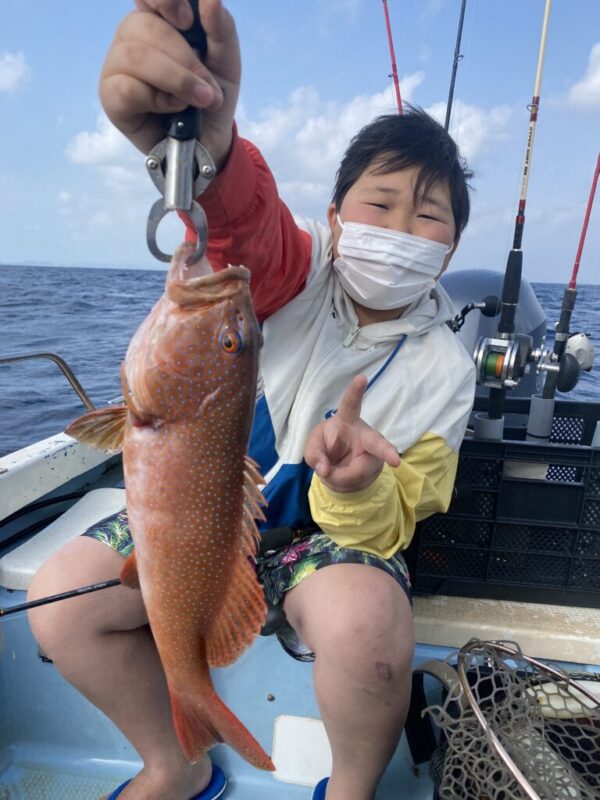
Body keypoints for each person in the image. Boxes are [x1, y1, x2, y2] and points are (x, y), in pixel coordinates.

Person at [27, 2, 476, 799]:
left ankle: (352, 789)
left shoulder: (446, 366)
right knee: (60, 598)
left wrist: (357, 488)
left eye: (429, 214)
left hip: (328, 541)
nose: (402, 226)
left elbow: (413, 503)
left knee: (371, 638)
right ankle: (175, 761)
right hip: (199, 511)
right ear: (334, 219)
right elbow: (245, 229)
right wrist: (208, 146)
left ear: (452, 248)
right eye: (379, 204)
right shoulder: (293, 276)